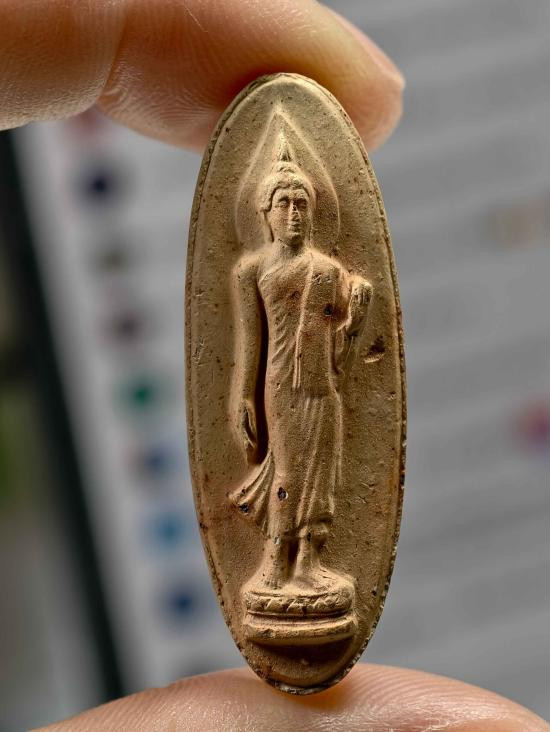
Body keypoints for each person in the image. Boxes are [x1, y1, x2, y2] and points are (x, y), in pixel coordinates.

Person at [1, 1, 547, 730]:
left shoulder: (327, 270)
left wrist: (354, 313)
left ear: (312, 210)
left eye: (300, 203)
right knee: (287, 476)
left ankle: (310, 563)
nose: (292, 213)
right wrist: (239, 400)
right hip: (280, 391)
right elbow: (250, 346)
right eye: (281, 204)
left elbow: (352, 342)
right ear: (263, 213)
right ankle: (279, 567)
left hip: (325, 392)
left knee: (320, 480)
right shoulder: (251, 271)